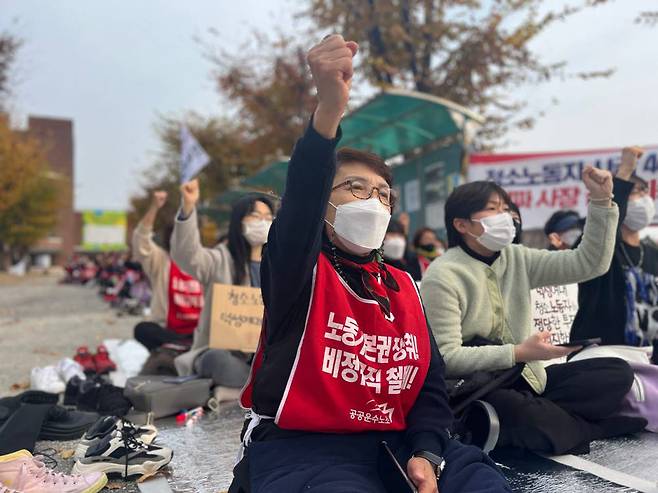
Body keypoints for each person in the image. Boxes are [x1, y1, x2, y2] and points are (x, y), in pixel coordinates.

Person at [229, 34, 512, 493]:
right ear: (324, 204)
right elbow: (299, 204)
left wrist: (427, 451)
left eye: (383, 194)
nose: (373, 202)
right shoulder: (299, 271)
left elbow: (429, 385)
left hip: (397, 441)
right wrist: (328, 113)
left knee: (483, 482)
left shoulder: (404, 286)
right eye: (355, 189)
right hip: (305, 449)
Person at [421, 175, 646, 455]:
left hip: (531, 380)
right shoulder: (442, 275)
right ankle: (594, 428)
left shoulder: (517, 257)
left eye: (505, 208)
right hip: (482, 389)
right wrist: (517, 353)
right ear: (461, 224)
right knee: (513, 409)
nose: (505, 216)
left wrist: (601, 202)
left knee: (616, 372)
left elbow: (588, 264)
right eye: (493, 209)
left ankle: (557, 426)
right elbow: (447, 358)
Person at [171, 186, 275, 399]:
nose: (262, 222)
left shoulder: (276, 265)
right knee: (215, 360)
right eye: (255, 216)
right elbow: (186, 255)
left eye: (268, 217)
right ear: (239, 222)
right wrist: (188, 207)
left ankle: (238, 391)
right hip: (227, 353)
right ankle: (255, 389)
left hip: (263, 354)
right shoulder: (220, 260)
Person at [572, 147, 658, 361]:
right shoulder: (597, 248)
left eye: (646, 191)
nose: (645, 198)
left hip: (648, 367)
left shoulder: (653, 253)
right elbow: (605, 229)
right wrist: (625, 172)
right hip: (602, 361)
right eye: (636, 192)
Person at [132, 191, 203, 353]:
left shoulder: (204, 261)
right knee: (143, 329)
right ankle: (179, 345)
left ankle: (181, 346)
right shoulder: (161, 260)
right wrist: (154, 208)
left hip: (199, 331)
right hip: (168, 330)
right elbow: (141, 239)